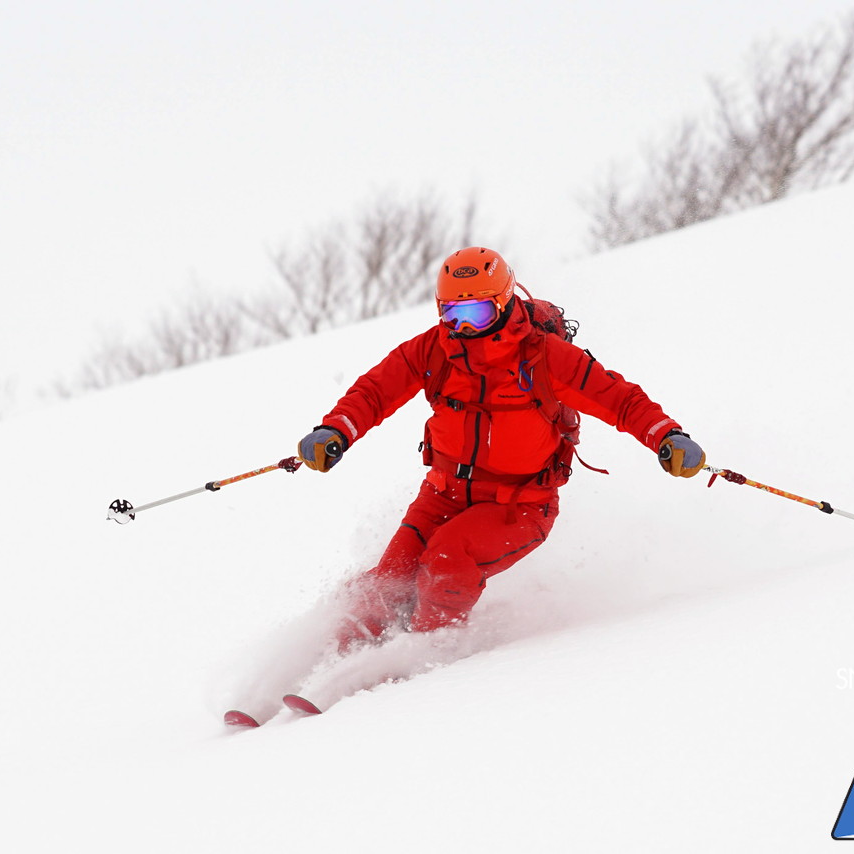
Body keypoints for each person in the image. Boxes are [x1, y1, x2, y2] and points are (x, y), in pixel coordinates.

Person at [296, 246, 705, 651]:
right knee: (389, 580)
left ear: (504, 303)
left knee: (447, 560)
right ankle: (326, 665)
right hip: (442, 493)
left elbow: (620, 400)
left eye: (477, 314)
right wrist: (335, 431)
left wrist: (668, 437)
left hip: (521, 503)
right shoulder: (433, 350)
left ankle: (421, 657)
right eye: (453, 314)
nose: (464, 327)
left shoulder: (547, 359)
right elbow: (374, 391)